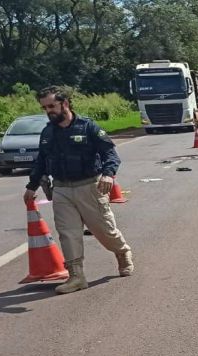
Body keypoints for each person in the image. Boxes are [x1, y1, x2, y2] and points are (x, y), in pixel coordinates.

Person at [24, 85, 133, 294]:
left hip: (89, 186)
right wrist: (32, 185)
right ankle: (76, 276)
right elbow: (42, 161)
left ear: (64, 103)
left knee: (105, 230)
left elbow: (110, 153)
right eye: (44, 107)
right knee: (68, 233)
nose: (48, 111)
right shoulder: (48, 133)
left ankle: (122, 251)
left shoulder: (87, 127)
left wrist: (108, 174)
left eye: (52, 106)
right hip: (62, 189)